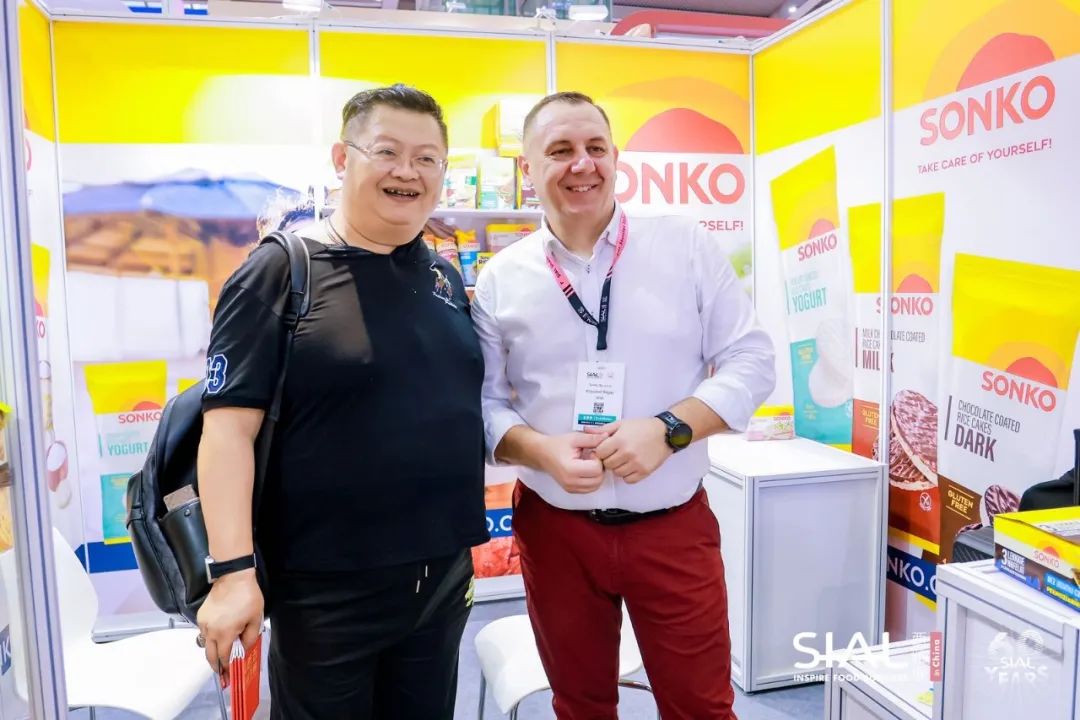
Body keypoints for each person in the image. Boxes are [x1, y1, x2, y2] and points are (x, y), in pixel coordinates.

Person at [471, 91, 776, 720]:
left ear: (615, 157)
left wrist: (668, 430)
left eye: (596, 147)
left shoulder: (684, 246)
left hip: (672, 525)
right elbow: (487, 403)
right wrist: (543, 452)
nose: (582, 164)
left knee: (701, 708)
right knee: (580, 706)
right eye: (560, 150)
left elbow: (752, 360)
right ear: (528, 168)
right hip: (556, 530)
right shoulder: (503, 277)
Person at [195, 84, 489, 719]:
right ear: (341, 158)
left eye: (427, 158)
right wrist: (233, 574)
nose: (408, 171)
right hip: (326, 590)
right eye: (387, 151)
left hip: (441, 577)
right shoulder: (281, 271)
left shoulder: (442, 276)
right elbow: (226, 432)